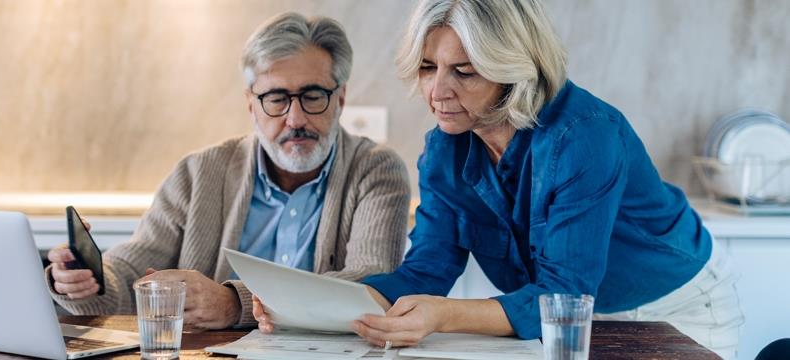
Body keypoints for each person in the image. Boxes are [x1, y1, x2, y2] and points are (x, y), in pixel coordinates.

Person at [254, 1, 743, 358]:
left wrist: (443, 315)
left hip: (676, 310)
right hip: (564, 320)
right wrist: (313, 306)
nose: (436, 91)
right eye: (427, 68)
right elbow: (425, 272)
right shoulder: (446, 146)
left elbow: (563, 295)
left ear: (514, 70)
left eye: (463, 71)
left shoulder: (584, 136)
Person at [45, 12, 411, 332]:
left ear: (341, 98)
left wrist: (235, 303)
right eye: (276, 99)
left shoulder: (376, 170)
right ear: (251, 103)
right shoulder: (198, 172)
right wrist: (89, 281)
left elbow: (370, 285)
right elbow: (132, 269)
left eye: (313, 96)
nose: (295, 119)